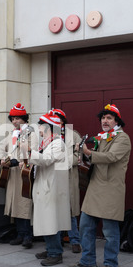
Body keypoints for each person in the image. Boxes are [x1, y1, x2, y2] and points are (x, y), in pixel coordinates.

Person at [69, 104, 131, 267]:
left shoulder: (122, 138)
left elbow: (111, 157)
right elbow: (93, 160)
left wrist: (87, 152)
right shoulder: (102, 137)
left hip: (111, 189)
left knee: (110, 231)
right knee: (86, 226)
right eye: (103, 118)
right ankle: (87, 261)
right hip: (95, 187)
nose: (105, 121)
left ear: (116, 121)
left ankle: (110, 263)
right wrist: (82, 155)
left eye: (109, 118)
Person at [25, 110, 71, 266]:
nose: (38, 128)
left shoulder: (58, 143)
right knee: (46, 220)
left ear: (48, 127)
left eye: (41, 125)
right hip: (44, 185)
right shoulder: (47, 142)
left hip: (51, 187)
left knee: (50, 220)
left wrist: (31, 151)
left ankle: (55, 253)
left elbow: (46, 160)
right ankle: (51, 248)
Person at [0, 103, 38, 248]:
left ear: (24, 119)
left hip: (24, 172)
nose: (14, 121)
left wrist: (19, 161)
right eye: (12, 119)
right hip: (12, 173)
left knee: (24, 204)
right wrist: (1, 159)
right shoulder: (12, 134)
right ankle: (20, 233)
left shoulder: (32, 133)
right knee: (15, 206)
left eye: (18, 118)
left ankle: (27, 236)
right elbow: (1, 147)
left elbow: (33, 151)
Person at [52, 108, 82, 254]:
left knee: (70, 210)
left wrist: (64, 161)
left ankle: (74, 240)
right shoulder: (47, 136)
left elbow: (79, 156)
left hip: (69, 177)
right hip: (52, 177)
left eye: (59, 119)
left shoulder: (73, 135)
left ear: (63, 120)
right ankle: (56, 242)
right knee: (55, 210)